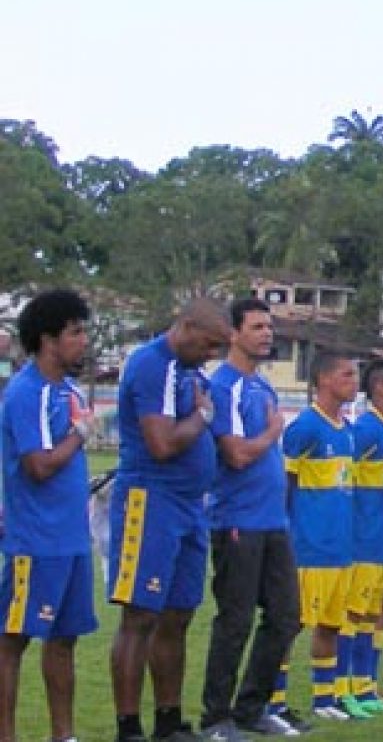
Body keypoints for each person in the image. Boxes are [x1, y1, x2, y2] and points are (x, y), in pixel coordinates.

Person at [110, 298, 229, 742]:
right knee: (139, 615)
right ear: (185, 326)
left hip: (190, 505)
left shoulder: (192, 372)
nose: (212, 354)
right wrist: (201, 415)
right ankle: (128, 727)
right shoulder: (151, 364)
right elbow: (161, 444)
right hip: (152, 500)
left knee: (179, 614)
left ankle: (168, 719)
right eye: (209, 344)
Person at [199, 298, 301, 740]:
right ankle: (215, 717)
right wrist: (273, 433)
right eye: (257, 326)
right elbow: (236, 453)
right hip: (238, 519)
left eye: (269, 327)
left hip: (272, 521)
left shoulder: (261, 388)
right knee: (235, 620)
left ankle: (251, 708)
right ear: (233, 334)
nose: (266, 334)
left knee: (286, 615)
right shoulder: (225, 388)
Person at [0, 289, 96, 742]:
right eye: (75, 333)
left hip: (72, 539)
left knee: (64, 640)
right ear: (47, 339)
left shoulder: (70, 390)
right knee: (12, 639)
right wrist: (79, 435)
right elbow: (37, 466)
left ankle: (64, 735)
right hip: (37, 541)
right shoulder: (27, 392)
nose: (84, 341)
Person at [278, 353, 358, 721]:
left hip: (339, 546)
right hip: (308, 547)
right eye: (346, 373)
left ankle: (324, 699)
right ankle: (273, 700)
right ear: (324, 380)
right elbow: (284, 486)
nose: (354, 381)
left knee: (331, 624)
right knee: (290, 626)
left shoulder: (347, 430)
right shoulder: (305, 427)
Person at [340, 360, 383, 718]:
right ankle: (340, 690)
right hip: (363, 541)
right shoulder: (364, 430)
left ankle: (365, 687)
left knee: (373, 616)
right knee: (352, 615)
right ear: (380, 389)